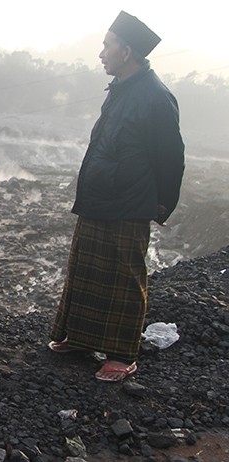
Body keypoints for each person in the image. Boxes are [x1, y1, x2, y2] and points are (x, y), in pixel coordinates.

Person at [48, 11, 185, 382]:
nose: (101, 53)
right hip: (100, 197)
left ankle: (122, 355)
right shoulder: (120, 91)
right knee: (88, 269)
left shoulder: (156, 96)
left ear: (126, 51)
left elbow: (171, 157)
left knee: (125, 278)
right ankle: (78, 337)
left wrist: (161, 203)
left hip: (129, 203)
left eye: (107, 45)